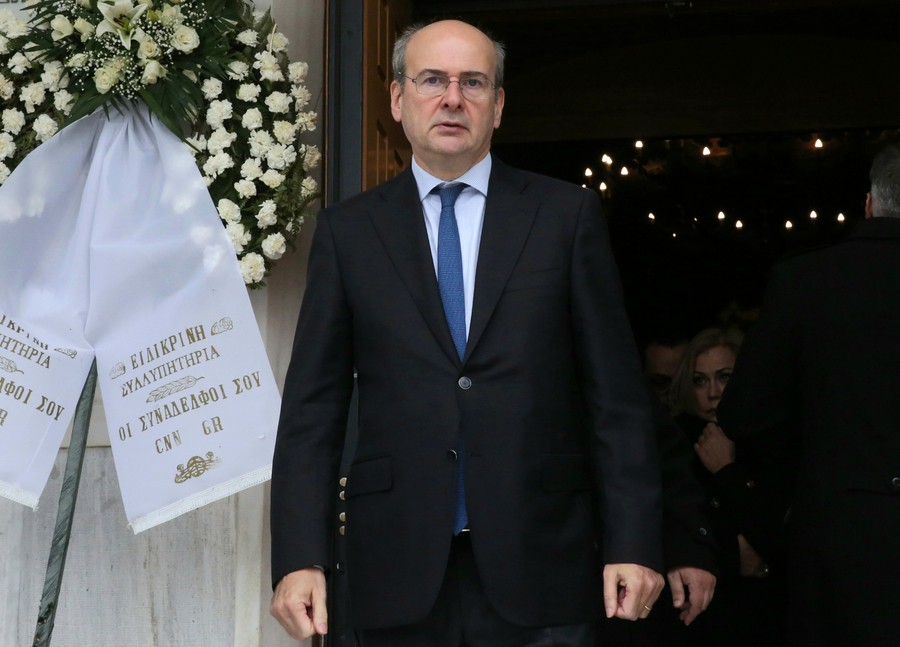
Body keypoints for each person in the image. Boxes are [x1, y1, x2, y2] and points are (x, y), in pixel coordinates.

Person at [269, 19, 665, 646]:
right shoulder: (349, 232)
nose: (452, 99)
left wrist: (634, 542)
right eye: (432, 80)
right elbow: (311, 411)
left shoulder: (565, 217)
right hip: (394, 568)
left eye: (473, 83)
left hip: (543, 563)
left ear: (498, 105)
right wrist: (300, 557)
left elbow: (615, 398)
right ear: (397, 99)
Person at [717, 144, 900, 646]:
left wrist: (807, 460)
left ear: (869, 204)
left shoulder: (806, 280)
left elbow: (745, 412)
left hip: (841, 539)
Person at [667, 327, 787, 646]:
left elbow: (786, 539)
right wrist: (733, 554)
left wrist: (726, 470)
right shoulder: (673, 447)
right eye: (699, 380)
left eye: (724, 377)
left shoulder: (774, 442)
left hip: (769, 617)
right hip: (696, 620)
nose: (713, 393)